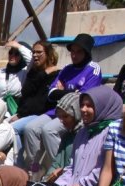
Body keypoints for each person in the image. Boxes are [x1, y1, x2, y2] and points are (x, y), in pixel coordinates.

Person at [20, 33, 102, 174]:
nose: (74, 55)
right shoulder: (67, 69)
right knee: (30, 129)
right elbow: (51, 94)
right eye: (72, 51)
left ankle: (60, 169)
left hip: (75, 115)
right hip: (56, 111)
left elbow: (82, 98)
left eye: (79, 52)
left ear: (87, 52)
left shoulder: (93, 69)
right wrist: (71, 93)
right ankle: (34, 170)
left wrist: (63, 92)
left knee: (49, 130)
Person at [49, 86, 124, 186]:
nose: (83, 109)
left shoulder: (111, 132)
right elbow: (72, 167)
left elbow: (101, 171)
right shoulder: (83, 132)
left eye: (89, 106)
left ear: (102, 107)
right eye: (82, 105)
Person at [9, 40, 61, 149]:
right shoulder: (33, 72)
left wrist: (21, 116)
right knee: (0, 128)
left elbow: (41, 102)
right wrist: (44, 73)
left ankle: (19, 163)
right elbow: (26, 91)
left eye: (39, 52)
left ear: (48, 54)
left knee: (12, 129)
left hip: (40, 115)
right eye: (33, 52)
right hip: (23, 113)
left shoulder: (56, 74)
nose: (35, 55)